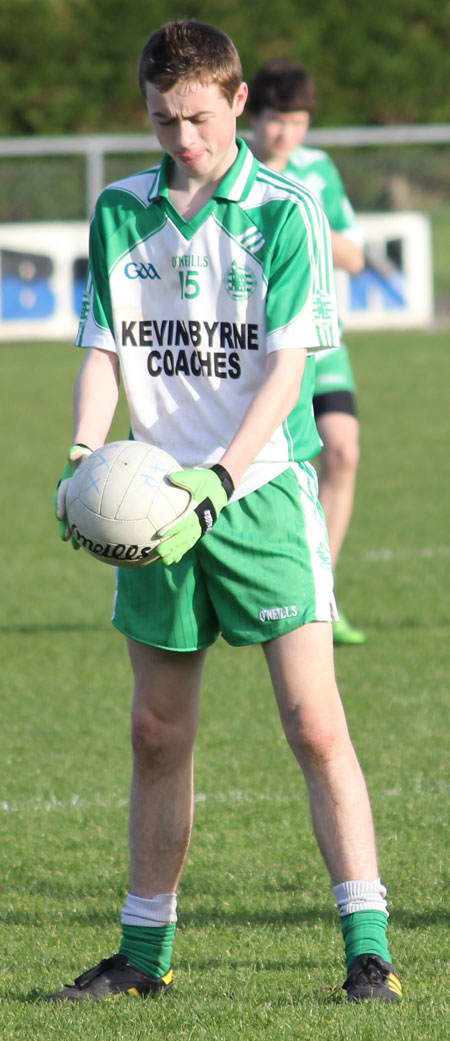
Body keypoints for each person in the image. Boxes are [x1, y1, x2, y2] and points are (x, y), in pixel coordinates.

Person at [48, 20, 401, 1004]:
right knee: (157, 731)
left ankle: (367, 950)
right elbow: (106, 348)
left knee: (314, 725)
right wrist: (84, 455)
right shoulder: (120, 209)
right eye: (166, 121)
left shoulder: (285, 210)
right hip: (152, 504)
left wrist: (222, 476)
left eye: (199, 118)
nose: (184, 140)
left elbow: (289, 369)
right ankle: (144, 958)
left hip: (259, 498)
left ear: (237, 103)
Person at [247, 60, 366, 645]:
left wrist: (307, 216)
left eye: (296, 121)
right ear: (253, 118)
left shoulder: (319, 172)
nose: (286, 134)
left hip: (320, 342)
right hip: (257, 350)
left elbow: (354, 257)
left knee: (342, 451)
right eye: (275, 120)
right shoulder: (233, 175)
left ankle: (326, 589)